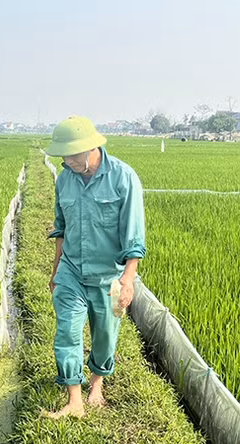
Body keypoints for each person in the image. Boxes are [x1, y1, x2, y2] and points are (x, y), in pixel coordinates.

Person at [43, 115, 146, 419]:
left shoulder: (123, 177)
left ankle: (96, 385)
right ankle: (74, 399)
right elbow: (61, 228)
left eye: (72, 155)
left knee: (105, 336)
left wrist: (128, 279)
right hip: (71, 271)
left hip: (108, 276)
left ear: (90, 148)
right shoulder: (64, 179)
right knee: (67, 331)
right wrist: (55, 271)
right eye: (63, 156)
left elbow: (134, 235)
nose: (67, 161)